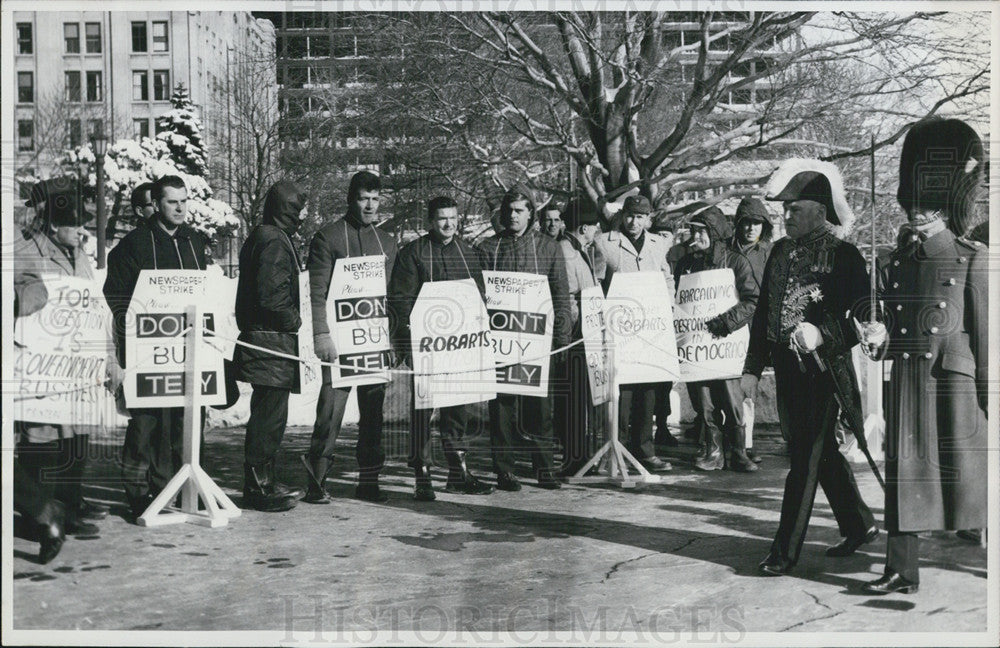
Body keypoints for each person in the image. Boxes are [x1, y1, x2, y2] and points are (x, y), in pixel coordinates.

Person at [858, 118, 988, 595]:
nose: (915, 213)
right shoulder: (893, 264)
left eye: (925, 205)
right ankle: (901, 569)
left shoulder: (972, 257)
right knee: (904, 476)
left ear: (941, 207)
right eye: (912, 204)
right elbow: (891, 335)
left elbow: (988, 336)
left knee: (974, 479)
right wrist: (877, 339)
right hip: (910, 385)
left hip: (955, 384)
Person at [743, 159, 878, 576]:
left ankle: (784, 552)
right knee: (822, 455)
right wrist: (751, 369)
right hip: (787, 369)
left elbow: (865, 319)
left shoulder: (846, 255)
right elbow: (765, 313)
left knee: (802, 457)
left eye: (795, 209)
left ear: (819, 212)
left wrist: (824, 333)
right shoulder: (780, 251)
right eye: (785, 210)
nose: (786, 216)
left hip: (826, 372)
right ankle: (859, 524)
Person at [104, 175, 210, 520]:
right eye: (171, 202)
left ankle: (173, 488)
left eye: (184, 201)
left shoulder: (194, 241)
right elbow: (115, 296)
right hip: (145, 347)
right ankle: (137, 492)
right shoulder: (134, 243)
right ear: (157, 203)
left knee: (182, 419)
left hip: (185, 348)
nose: (180, 208)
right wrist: (130, 335)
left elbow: (202, 290)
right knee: (147, 423)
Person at [15, 178, 106, 538]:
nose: (83, 232)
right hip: (40, 369)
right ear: (54, 224)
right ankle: (39, 512)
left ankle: (67, 506)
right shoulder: (29, 252)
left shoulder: (81, 257)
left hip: (78, 367)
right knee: (42, 441)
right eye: (77, 225)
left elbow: (96, 310)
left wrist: (108, 360)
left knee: (77, 440)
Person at [388, 196, 494, 501]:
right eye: (441, 219)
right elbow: (400, 301)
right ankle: (421, 471)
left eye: (453, 218)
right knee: (423, 410)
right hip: (427, 349)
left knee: (457, 409)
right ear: (430, 222)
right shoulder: (413, 253)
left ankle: (457, 471)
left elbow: (478, 298)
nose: (448, 224)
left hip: (459, 348)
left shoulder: (468, 253)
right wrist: (406, 346)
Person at [304, 171, 398, 503]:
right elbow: (317, 293)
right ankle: (317, 477)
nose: (370, 205)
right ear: (350, 199)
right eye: (363, 198)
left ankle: (369, 479)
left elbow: (392, 298)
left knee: (373, 414)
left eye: (375, 199)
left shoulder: (387, 241)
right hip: (341, 341)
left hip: (373, 340)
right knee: (330, 411)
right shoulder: (328, 237)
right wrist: (321, 334)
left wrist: (393, 340)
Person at [478, 184, 572, 490]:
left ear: (531, 213)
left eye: (519, 210)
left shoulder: (548, 247)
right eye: (509, 210)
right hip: (502, 342)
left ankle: (544, 467)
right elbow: (478, 296)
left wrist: (561, 338)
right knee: (502, 408)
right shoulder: (488, 248)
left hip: (537, 343)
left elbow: (560, 294)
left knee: (540, 409)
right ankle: (504, 469)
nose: (513, 216)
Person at [233, 181, 309, 512]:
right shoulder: (275, 241)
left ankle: (264, 480)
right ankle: (259, 486)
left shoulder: (265, 235)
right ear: (286, 209)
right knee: (269, 418)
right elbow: (272, 295)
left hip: (263, 342)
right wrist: (293, 320)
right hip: (271, 343)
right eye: (299, 208)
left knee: (267, 415)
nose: (303, 215)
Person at [674, 208, 759, 473]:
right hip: (698, 347)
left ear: (715, 233)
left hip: (726, 345)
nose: (696, 236)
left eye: (702, 230)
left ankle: (738, 450)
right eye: (694, 230)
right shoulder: (686, 265)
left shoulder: (736, 262)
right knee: (704, 401)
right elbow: (680, 303)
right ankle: (713, 449)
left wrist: (725, 322)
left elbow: (752, 300)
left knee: (732, 399)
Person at [594, 195, 673, 473]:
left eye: (640, 217)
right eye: (630, 215)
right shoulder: (605, 243)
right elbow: (597, 283)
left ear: (649, 219)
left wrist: (668, 306)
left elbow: (666, 277)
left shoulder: (658, 244)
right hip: (620, 331)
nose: (634, 221)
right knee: (621, 392)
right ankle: (618, 448)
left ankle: (645, 450)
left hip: (649, 332)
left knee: (648, 391)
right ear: (622, 215)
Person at [553, 198, 605, 477]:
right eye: (595, 227)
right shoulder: (567, 252)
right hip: (574, 335)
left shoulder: (579, 249)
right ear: (584, 227)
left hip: (582, 333)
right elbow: (567, 297)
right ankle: (574, 456)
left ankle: (580, 453)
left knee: (581, 398)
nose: (597, 231)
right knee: (572, 400)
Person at [730, 197, 774, 460]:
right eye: (746, 223)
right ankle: (727, 442)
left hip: (757, 330)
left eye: (756, 224)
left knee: (748, 386)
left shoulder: (770, 252)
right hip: (729, 327)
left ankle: (745, 444)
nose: (750, 229)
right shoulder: (724, 251)